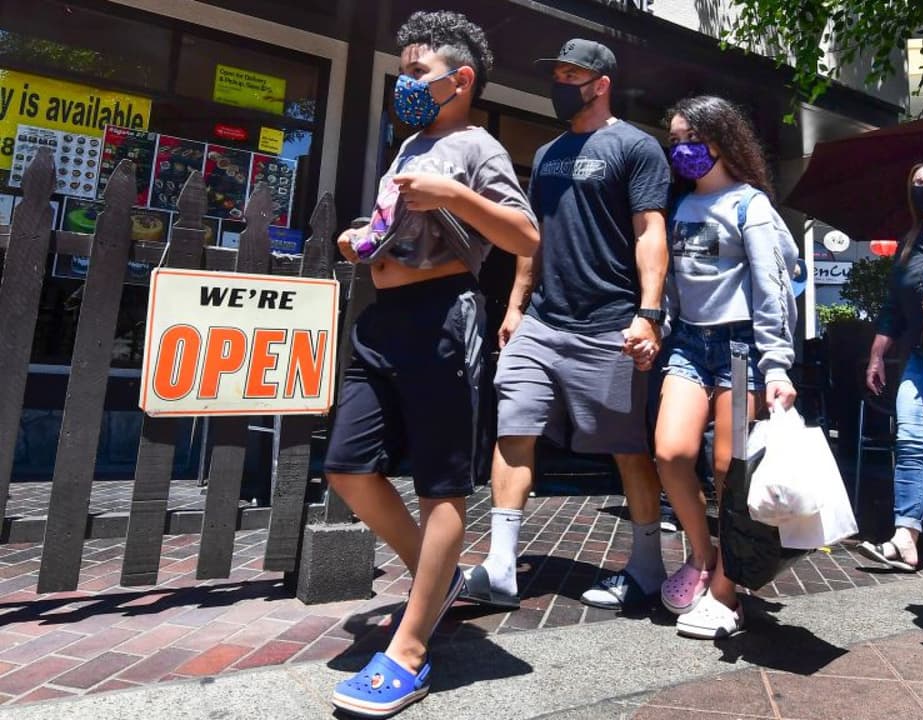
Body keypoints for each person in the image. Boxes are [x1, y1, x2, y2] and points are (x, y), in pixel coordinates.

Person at [323, 11, 539, 717]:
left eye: (418, 72)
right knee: (347, 466)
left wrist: (454, 194)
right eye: (403, 72)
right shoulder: (409, 146)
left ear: (461, 79)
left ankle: (410, 653)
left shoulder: (478, 147)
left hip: (444, 317)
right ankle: (436, 580)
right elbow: (395, 227)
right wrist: (363, 236)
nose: (405, 84)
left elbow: (524, 234)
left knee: (441, 487)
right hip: (382, 318)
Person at [460, 39, 671, 612]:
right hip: (542, 323)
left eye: (570, 75)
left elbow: (650, 231)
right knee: (514, 427)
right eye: (555, 73)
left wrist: (649, 313)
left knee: (628, 448)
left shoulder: (636, 147)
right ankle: (501, 566)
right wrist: (516, 306)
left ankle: (647, 567)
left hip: (610, 324)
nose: (559, 84)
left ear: (600, 84)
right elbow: (532, 236)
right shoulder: (549, 153)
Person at [651, 95, 799, 639]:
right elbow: (673, 282)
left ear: (721, 139)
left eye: (690, 139)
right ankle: (702, 554)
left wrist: (776, 364)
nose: (681, 150)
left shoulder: (749, 205)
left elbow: (772, 286)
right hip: (690, 344)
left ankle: (726, 591)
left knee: (728, 471)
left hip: (742, 347)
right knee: (670, 453)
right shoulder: (679, 206)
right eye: (674, 141)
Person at [856, 161, 923, 572]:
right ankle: (905, 538)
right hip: (920, 357)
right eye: (913, 183)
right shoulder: (911, 242)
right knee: (912, 441)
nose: (918, 190)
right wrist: (877, 355)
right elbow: (892, 308)